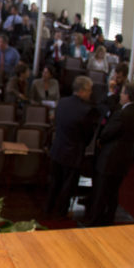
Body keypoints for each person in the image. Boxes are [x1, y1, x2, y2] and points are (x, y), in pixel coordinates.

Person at [84, 81, 134, 226]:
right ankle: (108, 219)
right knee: (113, 193)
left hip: (110, 159)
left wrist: (100, 139)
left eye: (122, 93)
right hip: (123, 161)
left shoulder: (122, 114)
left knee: (101, 192)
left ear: (127, 96)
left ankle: (94, 221)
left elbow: (107, 133)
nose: (120, 95)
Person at [46, 76, 98, 218]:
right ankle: (61, 212)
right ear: (81, 91)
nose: (90, 93)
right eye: (89, 90)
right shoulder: (87, 111)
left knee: (54, 182)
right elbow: (88, 136)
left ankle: (48, 207)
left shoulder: (62, 103)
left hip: (58, 148)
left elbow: (56, 123)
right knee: (67, 186)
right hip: (73, 153)